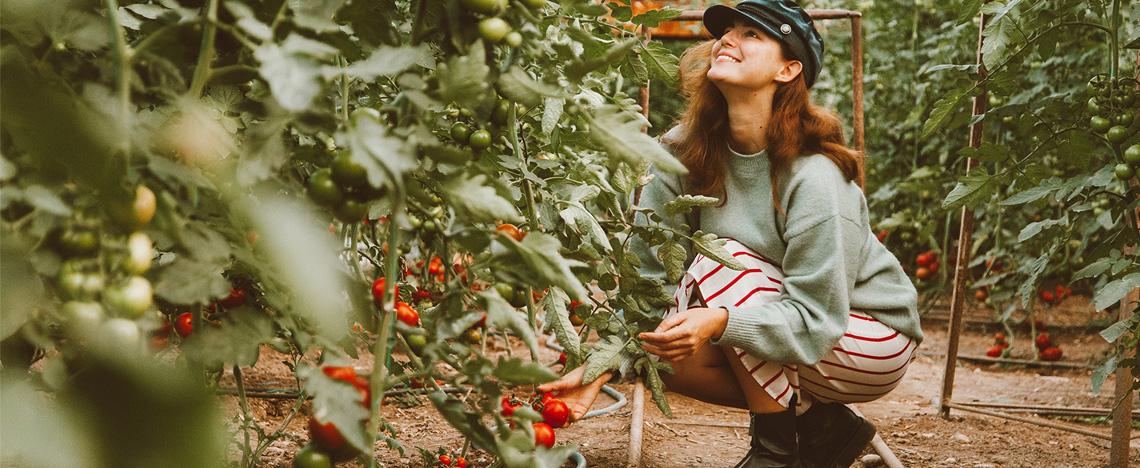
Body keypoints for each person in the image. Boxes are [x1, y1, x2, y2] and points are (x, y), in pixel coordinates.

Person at [538, 1, 924, 467]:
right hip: (782, 322)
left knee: (717, 260)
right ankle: (822, 428)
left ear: (788, 69)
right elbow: (647, 276)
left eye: (752, 34)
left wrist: (720, 320)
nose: (727, 39)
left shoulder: (814, 177)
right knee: (666, 352)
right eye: (727, 31)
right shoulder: (682, 151)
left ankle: (774, 453)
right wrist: (602, 367)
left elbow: (818, 320)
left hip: (864, 339)